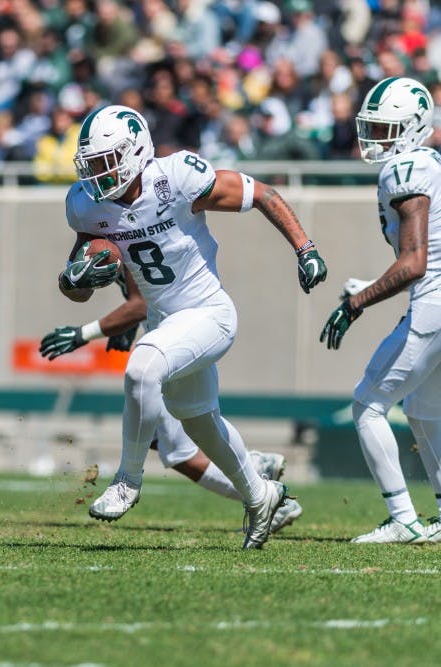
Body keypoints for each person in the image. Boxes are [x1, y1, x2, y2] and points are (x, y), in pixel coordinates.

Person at [57, 105, 327, 548]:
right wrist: (73, 279)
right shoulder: (87, 206)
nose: (99, 175)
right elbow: (78, 286)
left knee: (141, 367)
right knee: (199, 424)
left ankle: (127, 478)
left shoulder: (176, 176)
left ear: (135, 151)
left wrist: (306, 248)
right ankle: (261, 497)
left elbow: (262, 194)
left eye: (107, 162)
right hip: (166, 322)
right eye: (92, 165)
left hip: (208, 313)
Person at [40, 283, 304, 534]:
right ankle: (259, 469)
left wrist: (85, 333)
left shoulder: (122, 238)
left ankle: (270, 494)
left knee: (181, 452)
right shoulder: (113, 242)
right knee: (163, 440)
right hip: (171, 340)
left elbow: (140, 304)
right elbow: (143, 300)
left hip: (171, 347)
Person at [319, 77, 441, 544]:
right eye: (372, 127)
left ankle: (403, 517)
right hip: (432, 294)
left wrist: (357, 303)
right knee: (425, 409)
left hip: (432, 297)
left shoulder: (405, 168)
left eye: (386, 128)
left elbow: (414, 263)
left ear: (413, 127)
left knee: (369, 403)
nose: (376, 139)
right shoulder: (427, 161)